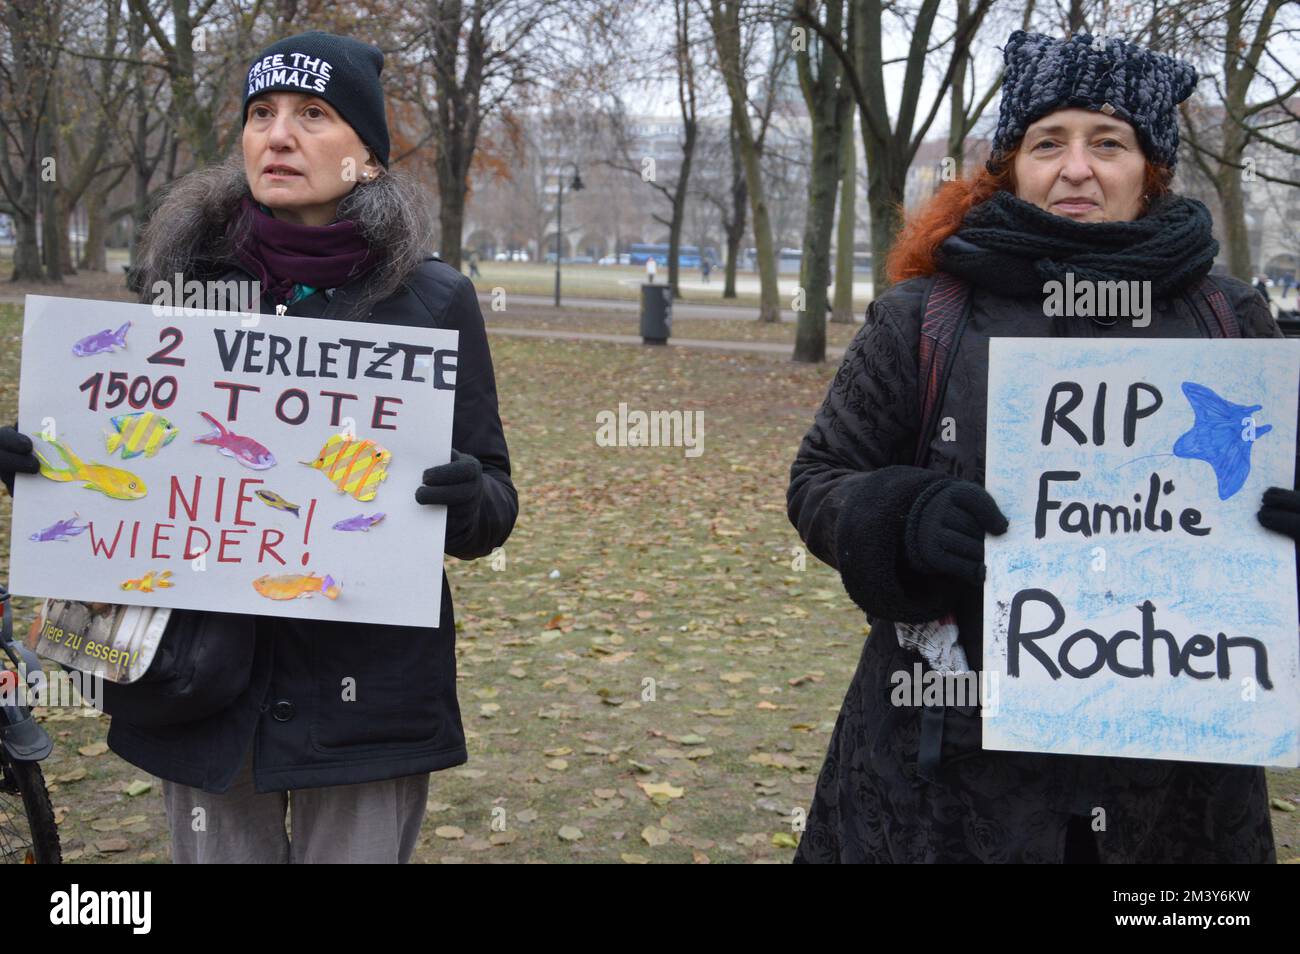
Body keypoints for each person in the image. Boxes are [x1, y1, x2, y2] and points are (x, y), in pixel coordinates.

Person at [1, 31, 517, 863]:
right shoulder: (178, 282)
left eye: (314, 114)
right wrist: (44, 473)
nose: (278, 135)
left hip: (365, 700)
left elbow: (494, 503)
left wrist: (463, 501)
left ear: (370, 158)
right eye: (261, 113)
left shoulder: (432, 301)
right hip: (197, 687)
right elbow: (129, 465)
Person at [787, 30, 1290, 863]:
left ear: (1150, 170)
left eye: (1109, 143)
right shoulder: (925, 317)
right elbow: (821, 480)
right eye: (1047, 142)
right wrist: (902, 519)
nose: (1077, 168)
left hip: (1175, 786)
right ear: (1012, 165)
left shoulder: (1232, 321)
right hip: (948, 772)